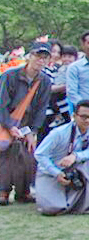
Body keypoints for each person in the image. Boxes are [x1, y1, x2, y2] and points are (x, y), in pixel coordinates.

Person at [0, 42, 52, 205]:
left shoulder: (45, 81)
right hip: (5, 121)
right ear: (29, 56)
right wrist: (10, 126)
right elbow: (1, 104)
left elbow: (41, 109)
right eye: (38, 56)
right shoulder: (10, 76)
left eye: (45, 58)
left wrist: (33, 131)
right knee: (8, 152)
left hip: (26, 125)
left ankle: (24, 191)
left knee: (29, 155)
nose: (40, 61)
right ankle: (3, 190)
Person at [33, 100, 89, 215]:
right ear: (74, 116)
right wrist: (56, 173)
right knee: (52, 209)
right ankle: (73, 204)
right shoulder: (59, 133)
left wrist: (75, 156)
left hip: (74, 169)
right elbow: (39, 154)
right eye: (83, 116)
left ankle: (84, 203)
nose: (88, 120)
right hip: (50, 172)